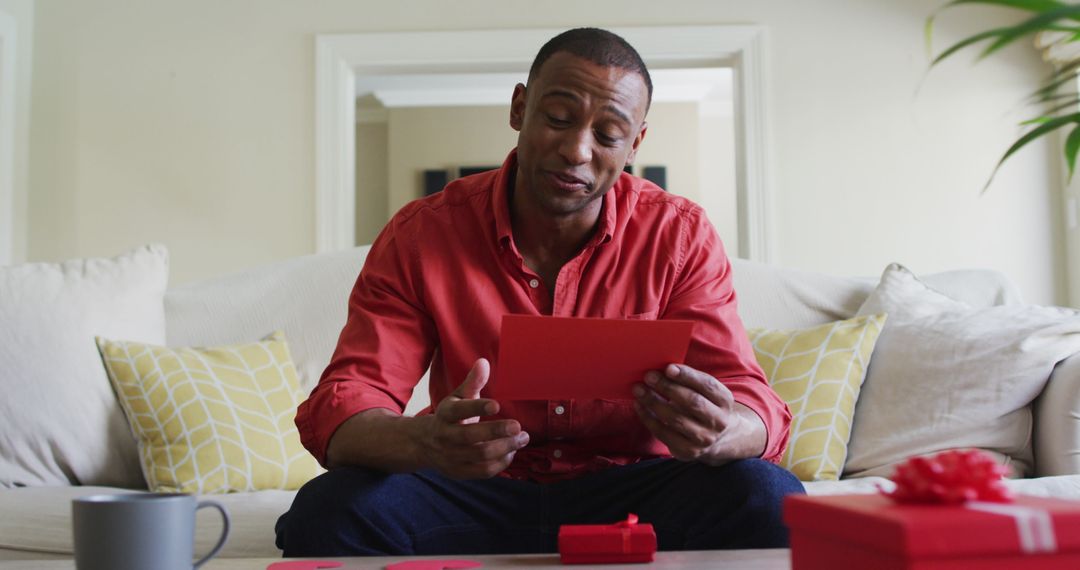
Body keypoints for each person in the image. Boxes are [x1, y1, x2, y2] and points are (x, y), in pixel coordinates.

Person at [276, 27, 804, 557]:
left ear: (636, 143)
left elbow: (752, 400)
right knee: (327, 511)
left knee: (769, 498)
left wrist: (722, 429)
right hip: (473, 489)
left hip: (636, 487)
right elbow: (347, 400)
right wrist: (426, 442)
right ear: (519, 108)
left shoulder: (680, 234)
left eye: (608, 134)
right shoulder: (423, 232)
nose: (576, 150)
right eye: (557, 119)